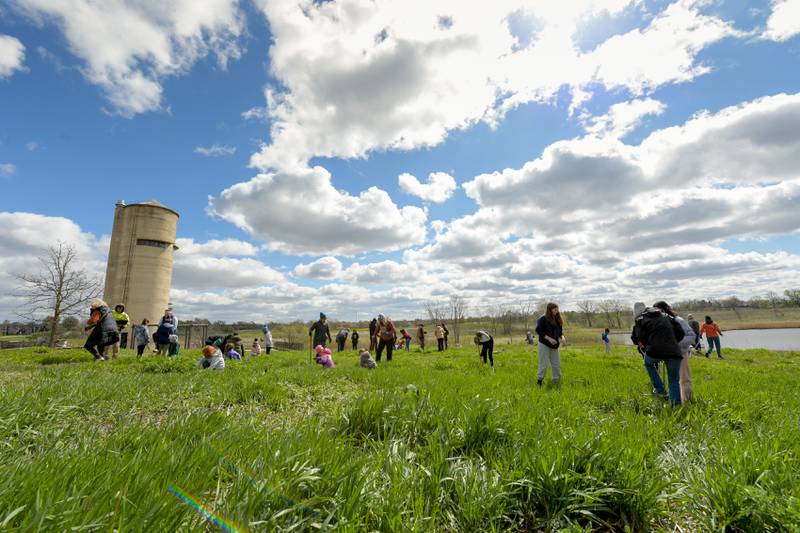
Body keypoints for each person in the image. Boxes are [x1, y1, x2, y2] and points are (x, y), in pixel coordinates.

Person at [632, 304, 685, 406]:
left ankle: (660, 389)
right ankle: (676, 405)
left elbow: (640, 336)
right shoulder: (665, 315)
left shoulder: (641, 319)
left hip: (654, 350)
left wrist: (649, 345)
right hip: (673, 351)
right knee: (674, 380)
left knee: (648, 363)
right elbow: (680, 332)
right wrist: (672, 342)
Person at [654, 301, 695, 403]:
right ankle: (675, 402)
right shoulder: (659, 322)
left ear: (666, 309)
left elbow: (691, 336)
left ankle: (688, 401)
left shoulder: (678, 320)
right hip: (668, 354)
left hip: (681, 353)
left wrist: (676, 344)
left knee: (684, 378)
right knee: (672, 380)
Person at [535, 302, 566, 386]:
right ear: (549, 309)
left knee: (556, 364)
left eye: (557, 309)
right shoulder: (542, 319)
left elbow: (560, 331)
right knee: (543, 364)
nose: (557, 311)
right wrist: (549, 339)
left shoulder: (558, 319)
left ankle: (556, 381)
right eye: (555, 309)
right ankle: (539, 381)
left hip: (555, 346)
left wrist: (562, 337)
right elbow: (538, 330)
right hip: (544, 344)